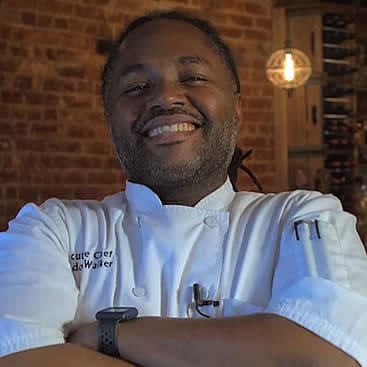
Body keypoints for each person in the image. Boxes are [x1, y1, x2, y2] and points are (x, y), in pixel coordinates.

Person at [1, 9, 367, 367]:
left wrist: (107, 335)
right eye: (137, 87)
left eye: (193, 78)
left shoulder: (303, 217)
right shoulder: (52, 229)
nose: (165, 98)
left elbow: (329, 353)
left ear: (237, 109)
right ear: (109, 120)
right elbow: (16, 355)